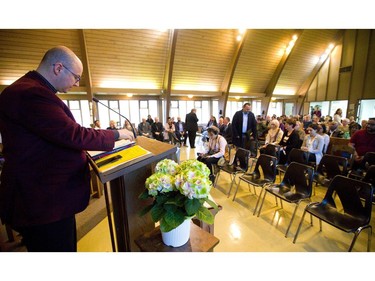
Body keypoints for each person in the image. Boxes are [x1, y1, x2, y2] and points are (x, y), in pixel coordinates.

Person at [0, 46, 134, 252]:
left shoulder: (34, 90)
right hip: (43, 201)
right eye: (76, 77)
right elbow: (73, 135)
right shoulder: (31, 93)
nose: (77, 83)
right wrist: (117, 134)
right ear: (58, 68)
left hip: (45, 197)